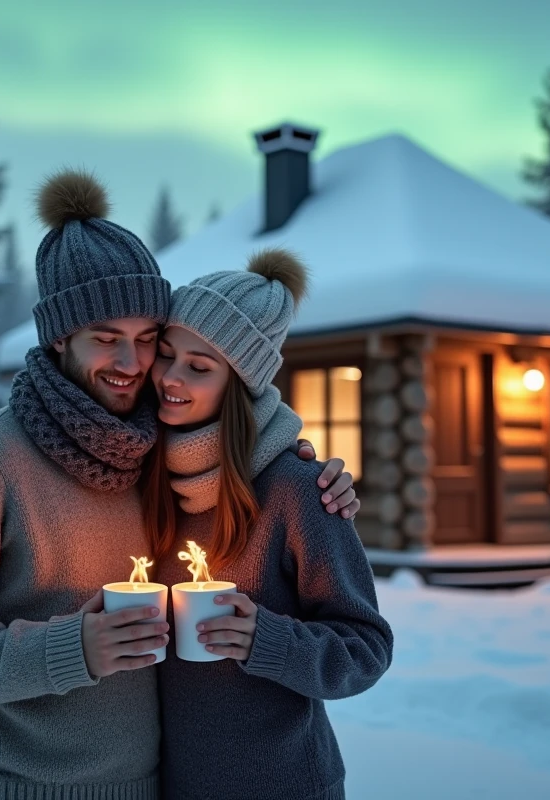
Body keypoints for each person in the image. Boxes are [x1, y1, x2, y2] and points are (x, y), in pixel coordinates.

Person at [0, 170, 359, 800]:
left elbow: (236, 441)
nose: (136, 366)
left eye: (146, 341)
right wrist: (69, 648)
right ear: (60, 339)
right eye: (107, 340)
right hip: (26, 790)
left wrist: (303, 468)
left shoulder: (154, 456)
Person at [146, 249, 394, 800]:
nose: (171, 377)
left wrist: (268, 640)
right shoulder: (144, 478)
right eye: (167, 354)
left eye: (200, 367)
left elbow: (365, 648)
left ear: (239, 382)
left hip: (285, 784)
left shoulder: (298, 488)